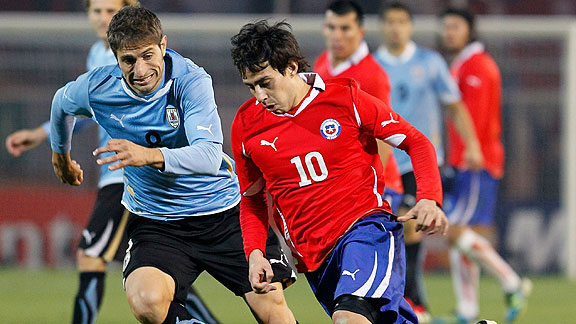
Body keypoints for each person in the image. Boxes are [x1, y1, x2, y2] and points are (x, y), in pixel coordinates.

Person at [49, 6, 296, 324]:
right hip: (158, 225)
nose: (140, 70)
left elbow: (208, 156)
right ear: (115, 57)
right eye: (129, 60)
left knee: (273, 310)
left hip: (223, 215)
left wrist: (148, 155)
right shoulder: (97, 88)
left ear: (163, 46)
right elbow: (61, 103)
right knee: (145, 300)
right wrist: (61, 155)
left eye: (148, 55)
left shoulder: (191, 81)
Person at [5, 2, 221, 324]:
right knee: (159, 278)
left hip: (132, 177)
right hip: (118, 174)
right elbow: (82, 111)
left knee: (91, 257)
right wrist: (43, 135)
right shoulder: (98, 56)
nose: (102, 18)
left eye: (110, 10)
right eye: (96, 10)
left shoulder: (143, 61)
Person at [230, 20, 449, 324]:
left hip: (366, 230)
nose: (259, 96)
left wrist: (429, 197)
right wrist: (255, 252)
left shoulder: (345, 100)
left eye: (265, 83)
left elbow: (417, 142)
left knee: (348, 319)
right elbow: (252, 200)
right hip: (315, 257)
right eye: (250, 86)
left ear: (291, 67)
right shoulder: (246, 126)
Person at [373, 3, 484, 322]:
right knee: (393, 230)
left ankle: (415, 301)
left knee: (411, 227)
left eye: (402, 22)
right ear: (383, 27)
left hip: (418, 163)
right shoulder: (373, 66)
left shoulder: (430, 62)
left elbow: (454, 106)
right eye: (390, 22)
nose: (396, 28)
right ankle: (406, 301)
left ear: (410, 26)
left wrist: (472, 143)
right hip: (383, 164)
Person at [436, 8, 531, 323]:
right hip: (465, 161)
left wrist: (468, 154)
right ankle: (467, 310)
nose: (449, 32)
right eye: (446, 27)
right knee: (464, 235)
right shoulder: (464, 64)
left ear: (470, 30)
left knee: (453, 230)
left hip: (475, 162)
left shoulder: (478, 66)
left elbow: (472, 118)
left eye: (455, 27)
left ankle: (512, 281)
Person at [313, 0, 403, 213]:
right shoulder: (322, 63)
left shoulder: (372, 75)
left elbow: (384, 134)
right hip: (341, 181)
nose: (337, 35)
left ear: (360, 31)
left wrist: (374, 186)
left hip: (371, 184)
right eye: (331, 27)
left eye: (345, 28)